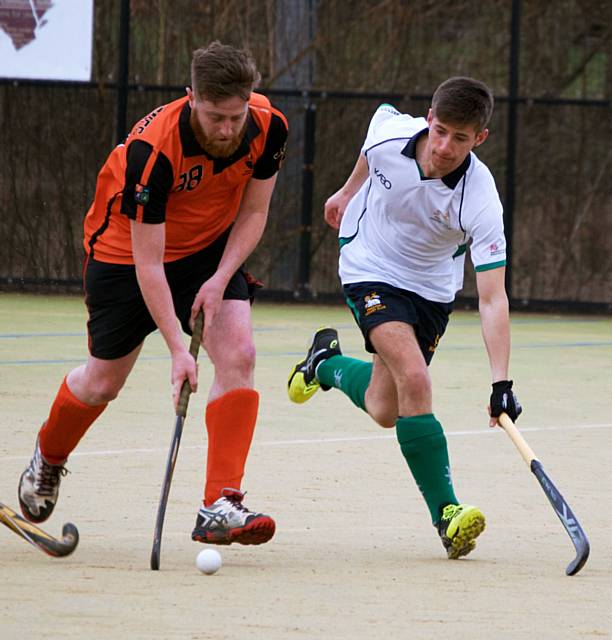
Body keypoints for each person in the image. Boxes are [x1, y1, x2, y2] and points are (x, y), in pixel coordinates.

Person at [18, 41, 288, 547]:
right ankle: (48, 456)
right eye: (215, 117)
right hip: (126, 255)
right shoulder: (153, 150)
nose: (228, 129)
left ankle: (220, 504)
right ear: (191, 99)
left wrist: (219, 277)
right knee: (102, 382)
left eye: (236, 116)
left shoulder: (269, 126)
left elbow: (253, 213)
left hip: (208, 249)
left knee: (240, 354)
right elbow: (148, 262)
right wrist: (177, 350)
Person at [288, 77, 521, 559]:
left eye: (461, 138)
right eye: (440, 131)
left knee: (384, 408)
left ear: (480, 139)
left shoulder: (480, 197)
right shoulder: (391, 132)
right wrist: (346, 191)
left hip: (432, 291)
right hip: (368, 263)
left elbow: (493, 298)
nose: (444, 146)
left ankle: (324, 364)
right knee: (414, 377)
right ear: (428, 119)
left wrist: (501, 383)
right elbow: (371, 148)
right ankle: (448, 515)